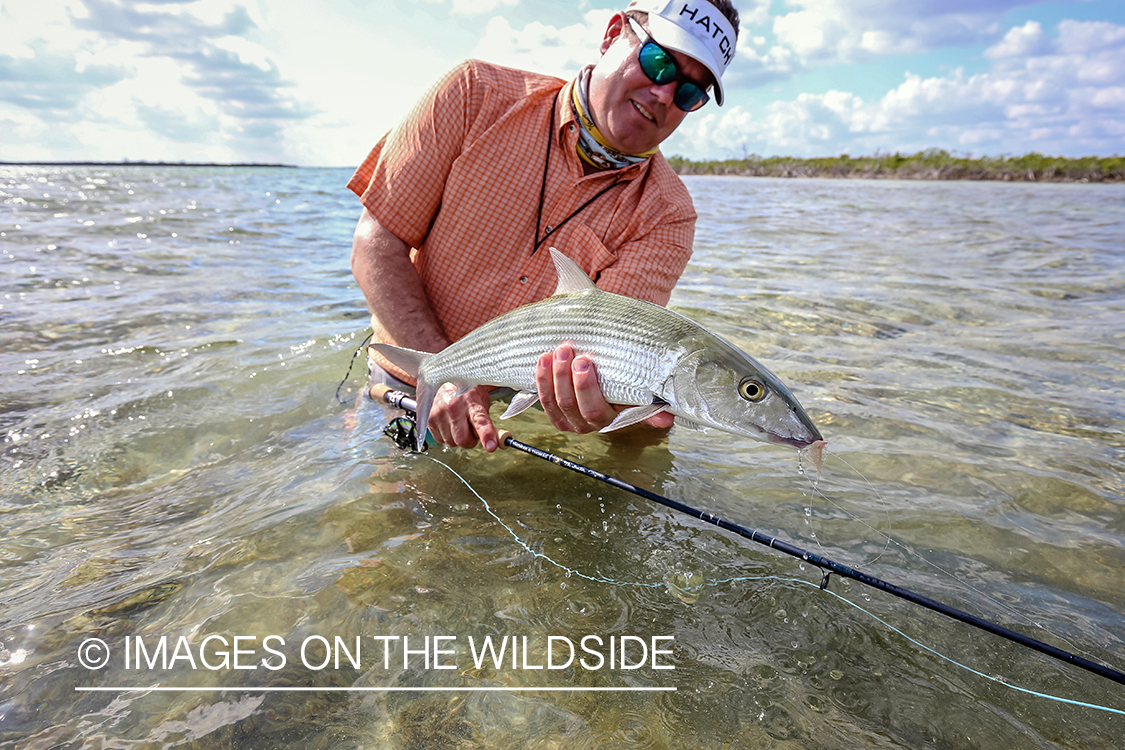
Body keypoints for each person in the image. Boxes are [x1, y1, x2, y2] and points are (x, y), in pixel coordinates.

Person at [349, 0, 739, 452]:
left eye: (691, 93)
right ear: (613, 33)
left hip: (527, 414)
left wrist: (618, 409)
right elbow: (374, 244)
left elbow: (620, 358)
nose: (665, 95)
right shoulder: (474, 93)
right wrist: (441, 371)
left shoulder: (668, 214)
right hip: (407, 373)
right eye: (658, 62)